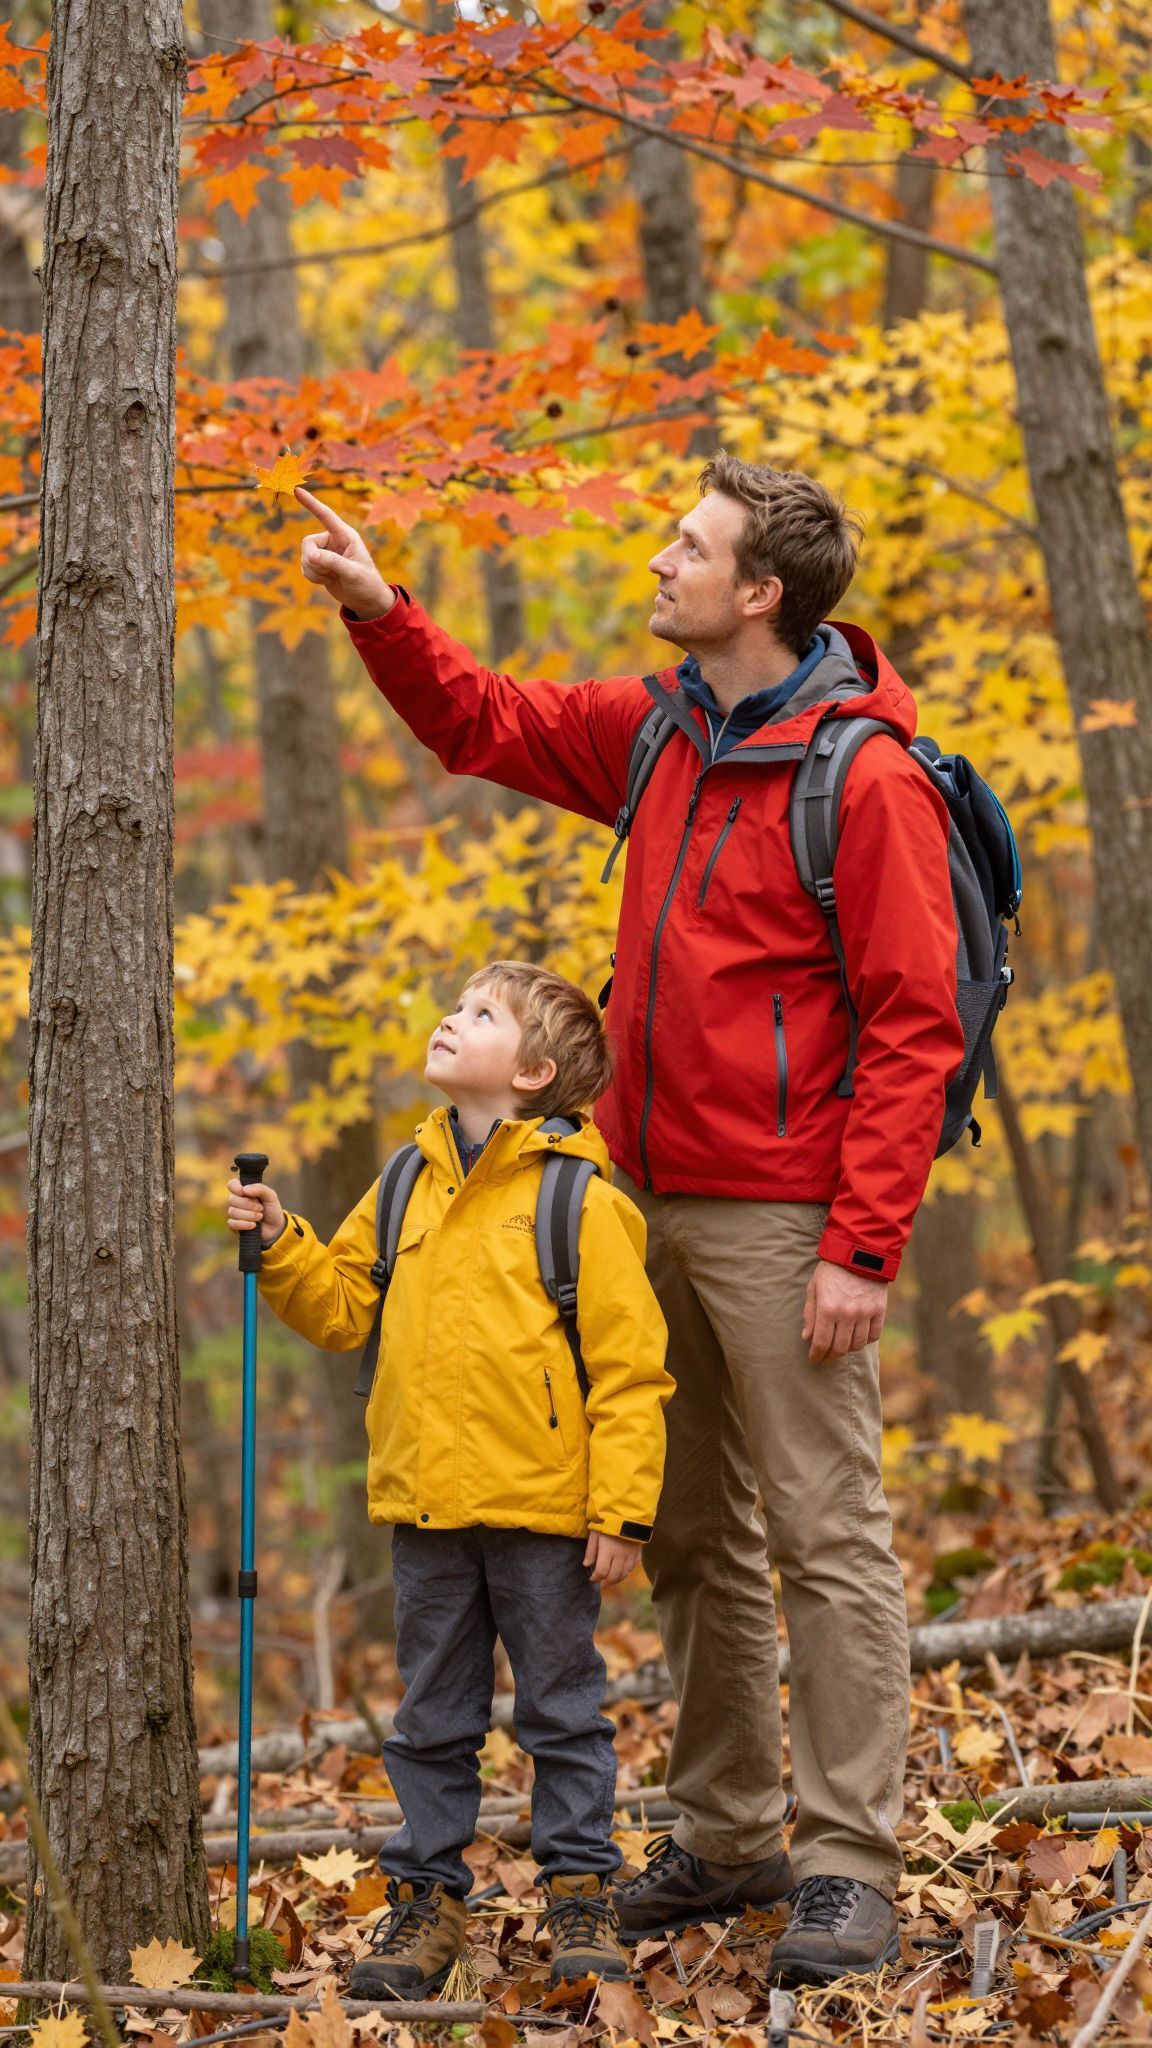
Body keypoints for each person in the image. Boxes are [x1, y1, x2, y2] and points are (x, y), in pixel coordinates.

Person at [292, 455, 965, 1987]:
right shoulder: (663, 729)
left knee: (826, 1536)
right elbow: (487, 722)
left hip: (784, 1213)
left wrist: (862, 1243)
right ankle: (731, 1836)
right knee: (689, 1532)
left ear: (760, 593)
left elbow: (914, 1026)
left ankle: (849, 1867)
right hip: (630, 1198)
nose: (662, 561)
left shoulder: (861, 778)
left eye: (690, 546)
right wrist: (384, 610)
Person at [225, 961, 672, 1997]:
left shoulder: (580, 1200)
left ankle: (579, 1891)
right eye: (456, 1005)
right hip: (425, 1507)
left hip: (546, 1516)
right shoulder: (404, 1181)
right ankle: (426, 1901)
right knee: (430, 1718)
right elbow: (342, 1305)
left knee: (562, 1711)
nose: (450, 1018)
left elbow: (632, 1371)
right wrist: (283, 1241)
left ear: (534, 1072)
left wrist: (622, 1511)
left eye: (481, 1014)